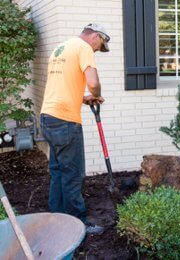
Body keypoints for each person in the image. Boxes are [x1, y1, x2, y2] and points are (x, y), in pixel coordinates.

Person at [40, 23, 110, 235]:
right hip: (65, 122)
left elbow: (62, 88)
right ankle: (78, 224)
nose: (98, 50)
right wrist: (96, 93)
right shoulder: (84, 48)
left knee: (58, 171)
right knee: (73, 174)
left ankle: (57, 218)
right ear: (96, 36)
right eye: (100, 45)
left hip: (48, 117)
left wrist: (84, 99)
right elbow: (93, 82)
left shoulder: (61, 48)